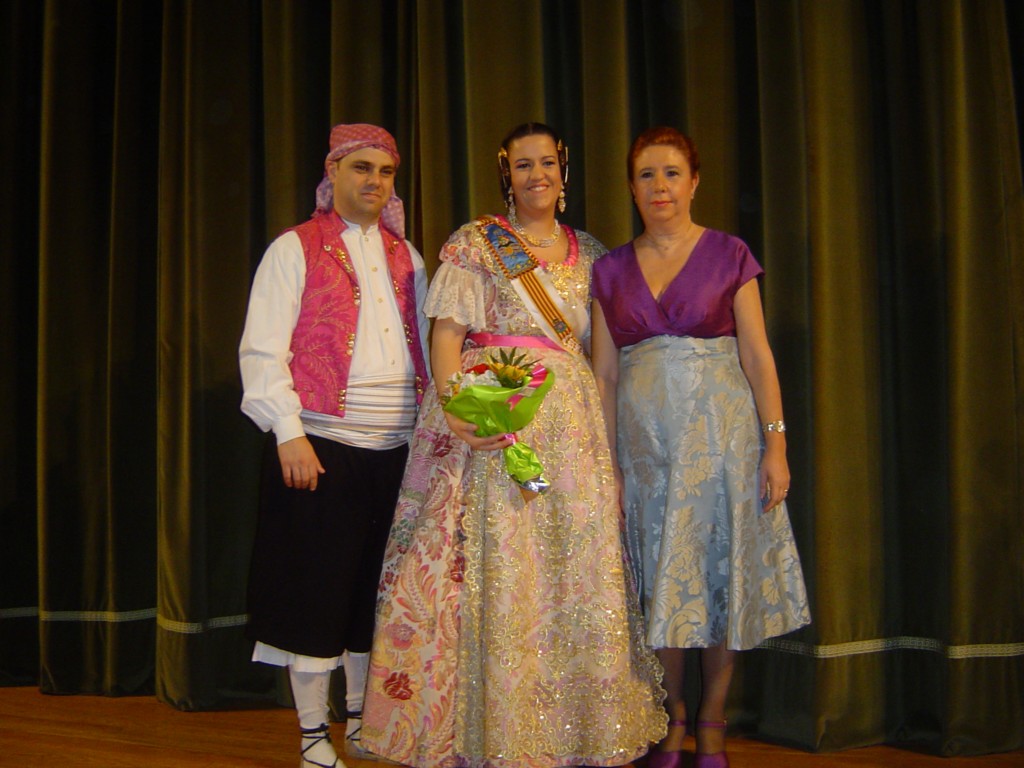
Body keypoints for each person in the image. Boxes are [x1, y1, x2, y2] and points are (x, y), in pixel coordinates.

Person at [360, 123, 667, 768]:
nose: (537, 176)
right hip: (497, 421)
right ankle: (493, 728)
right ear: (508, 174)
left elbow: (601, 360)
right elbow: (448, 337)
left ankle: (575, 733)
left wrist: (606, 450)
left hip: (572, 431)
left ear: (564, 170)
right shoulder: (478, 244)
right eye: (523, 165)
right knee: (503, 570)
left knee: (567, 571)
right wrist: (462, 412)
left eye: (546, 163)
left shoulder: (592, 253)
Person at [590, 127, 811, 768]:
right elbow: (604, 375)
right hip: (646, 454)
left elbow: (758, 356)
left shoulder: (729, 253)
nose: (659, 186)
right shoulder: (609, 269)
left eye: (671, 173)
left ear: (694, 182)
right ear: (631, 188)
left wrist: (776, 446)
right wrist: (608, 466)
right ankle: (672, 716)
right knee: (662, 583)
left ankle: (713, 718)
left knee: (721, 581)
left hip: (723, 444)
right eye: (646, 175)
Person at [239, 123, 430, 768]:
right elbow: (262, 349)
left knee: (373, 592)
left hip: (396, 451)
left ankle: (363, 722)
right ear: (334, 172)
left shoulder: (409, 257)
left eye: (385, 171)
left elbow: (426, 346)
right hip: (323, 445)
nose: (374, 181)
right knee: (315, 592)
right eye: (361, 168)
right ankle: (313, 736)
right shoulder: (294, 248)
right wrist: (288, 432)